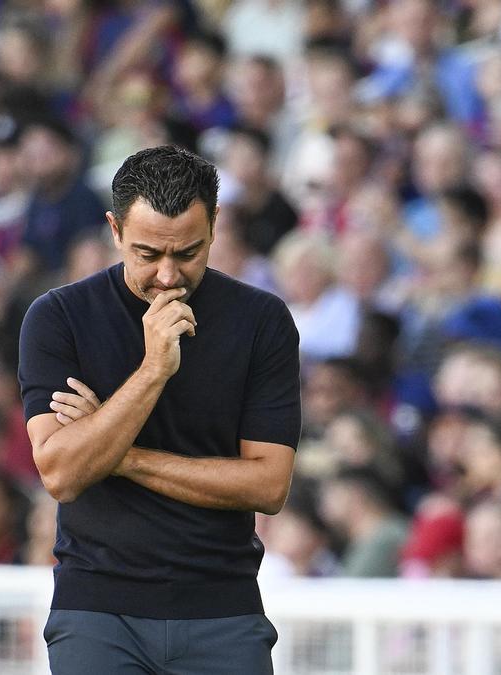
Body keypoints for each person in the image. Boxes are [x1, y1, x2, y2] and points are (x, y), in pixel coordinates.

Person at [18, 145, 300, 673]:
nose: (168, 275)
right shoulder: (58, 317)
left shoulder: (262, 320)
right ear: (115, 229)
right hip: (96, 608)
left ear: (216, 224)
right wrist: (152, 370)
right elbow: (61, 472)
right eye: (148, 254)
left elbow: (268, 487)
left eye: (188, 252)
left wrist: (120, 455)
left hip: (223, 605)